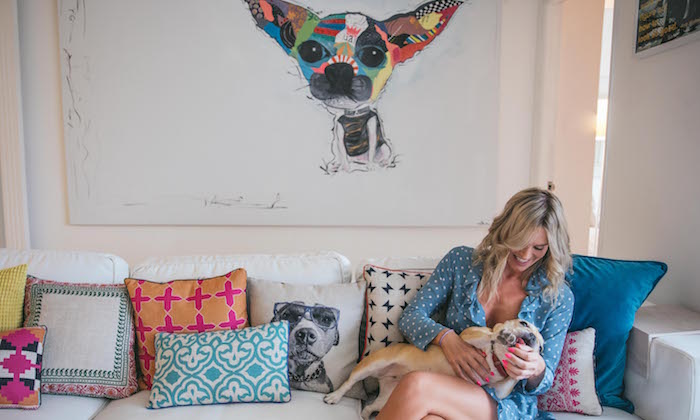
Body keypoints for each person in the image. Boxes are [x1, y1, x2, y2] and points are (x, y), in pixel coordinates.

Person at [379, 188, 574, 420]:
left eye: (538, 248)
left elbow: (546, 379)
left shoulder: (557, 297)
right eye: (519, 241)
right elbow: (411, 317)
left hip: (503, 402)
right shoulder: (461, 262)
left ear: (551, 247)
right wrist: (447, 339)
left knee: (416, 385)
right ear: (505, 230)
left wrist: (536, 368)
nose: (525, 254)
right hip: (450, 385)